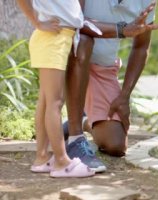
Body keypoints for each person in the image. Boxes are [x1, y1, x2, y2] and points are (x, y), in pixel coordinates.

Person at [63, 0, 158, 172]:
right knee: (84, 41)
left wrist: (124, 96)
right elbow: (74, 23)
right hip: (70, 57)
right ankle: (75, 138)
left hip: (103, 68)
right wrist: (121, 30)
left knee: (116, 145)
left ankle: (83, 121)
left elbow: (141, 47)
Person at [16, 0, 95, 177]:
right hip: (53, 38)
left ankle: (42, 158)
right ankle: (62, 162)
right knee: (55, 102)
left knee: (46, 100)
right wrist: (36, 21)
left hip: (58, 37)